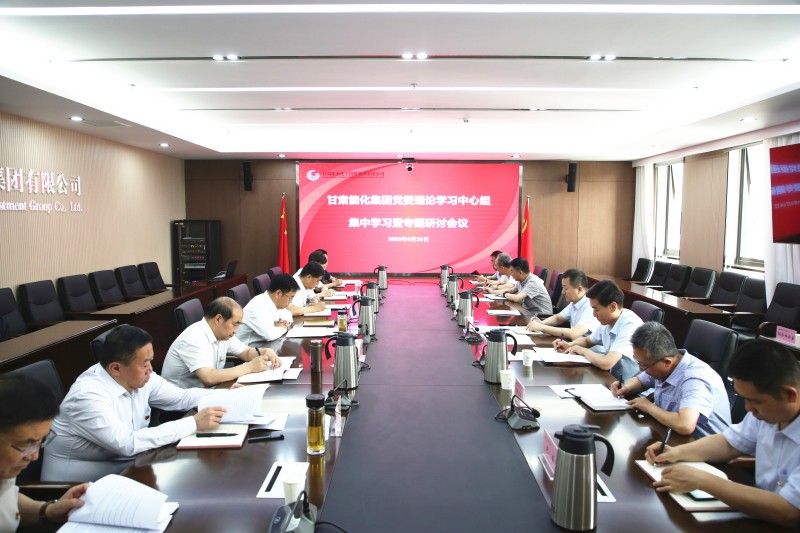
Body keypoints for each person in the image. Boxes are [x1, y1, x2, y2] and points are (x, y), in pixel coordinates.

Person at [42, 325, 226, 482]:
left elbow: (181, 397)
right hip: (74, 490)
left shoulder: (138, 377)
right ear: (116, 368)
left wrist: (227, 395)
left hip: (128, 468)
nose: (151, 369)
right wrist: (193, 423)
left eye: (151, 361)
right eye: (145, 363)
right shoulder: (87, 396)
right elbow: (127, 443)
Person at [646, 340, 800, 527]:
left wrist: (703, 481)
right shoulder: (767, 413)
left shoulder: (768, 413)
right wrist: (676, 452)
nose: (748, 408)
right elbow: (728, 444)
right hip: (760, 515)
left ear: (790, 395)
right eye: (744, 399)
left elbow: (789, 511)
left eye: (756, 401)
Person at [0, 374, 89, 531]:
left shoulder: (5, 469)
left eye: (40, 442)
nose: (34, 456)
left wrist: (46, 511)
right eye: (25, 445)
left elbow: (7, 499)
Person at [611, 322, 730, 437]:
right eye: (638, 362)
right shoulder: (661, 363)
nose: (641, 369)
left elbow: (685, 425)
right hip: (671, 435)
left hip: (701, 445)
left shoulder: (695, 379)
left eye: (644, 365)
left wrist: (649, 407)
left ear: (667, 362)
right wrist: (625, 387)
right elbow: (640, 381)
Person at [162, 297, 281, 388]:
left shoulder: (222, 333)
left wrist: (265, 352)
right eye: (235, 324)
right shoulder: (194, 337)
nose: (236, 330)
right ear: (219, 319)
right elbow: (208, 378)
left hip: (207, 392)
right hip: (182, 406)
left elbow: (245, 352)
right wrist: (249, 367)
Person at [554, 279, 641, 382]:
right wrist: (570, 345)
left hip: (635, 388)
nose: (594, 315)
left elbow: (606, 363)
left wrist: (582, 350)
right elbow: (587, 341)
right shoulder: (608, 321)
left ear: (613, 307)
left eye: (596, 309)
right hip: (615, 381)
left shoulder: (630, 325)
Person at [526, 268, 599, 340]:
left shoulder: (591, 306)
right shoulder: (575, 302)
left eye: (566, 288)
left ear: (579, 289)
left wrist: (542, 327)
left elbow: (574, 333)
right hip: (575, 344)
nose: (563, 292)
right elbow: (558, 318)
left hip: (587, 347)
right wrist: (541, 323)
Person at [236, 273, 299, 344]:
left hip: (263, 344)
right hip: (248, 347)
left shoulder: (274, 302)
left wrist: (284, 322)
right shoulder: (259, 305)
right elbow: (270, 335)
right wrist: (284, 327)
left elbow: (288, 314)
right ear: (278, 293)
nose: (291, 301)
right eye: (290, 298)